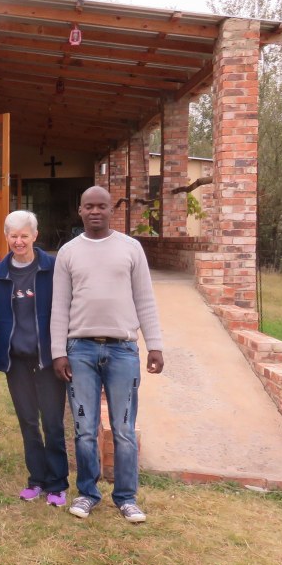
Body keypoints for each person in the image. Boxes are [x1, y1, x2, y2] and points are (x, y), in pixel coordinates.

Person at [50, 186, 165, 524]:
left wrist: (154, 344)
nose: (95, 211)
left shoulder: (131, 249)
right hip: (80, 349)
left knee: (124, 428)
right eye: (89, 206)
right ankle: (87, 493)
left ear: (111, 209)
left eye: (102, 206)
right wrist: (59, 352)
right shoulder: (68, 253)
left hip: (123, 350)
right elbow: (60, 306)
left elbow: (145, 299)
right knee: (85, 428)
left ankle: (126, 497)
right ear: (80, 210)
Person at [0, 210, 68, 507]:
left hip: (48, 360)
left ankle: (58, 484)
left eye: (24, 235)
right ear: (6, 237)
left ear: (35, 236)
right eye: (13, 235)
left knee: (52, 422)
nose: (19, 241)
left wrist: (62, 352)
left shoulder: (52, 268)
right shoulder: (0, 274)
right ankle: (36, 480)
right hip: (17, 362)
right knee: (28, 422)